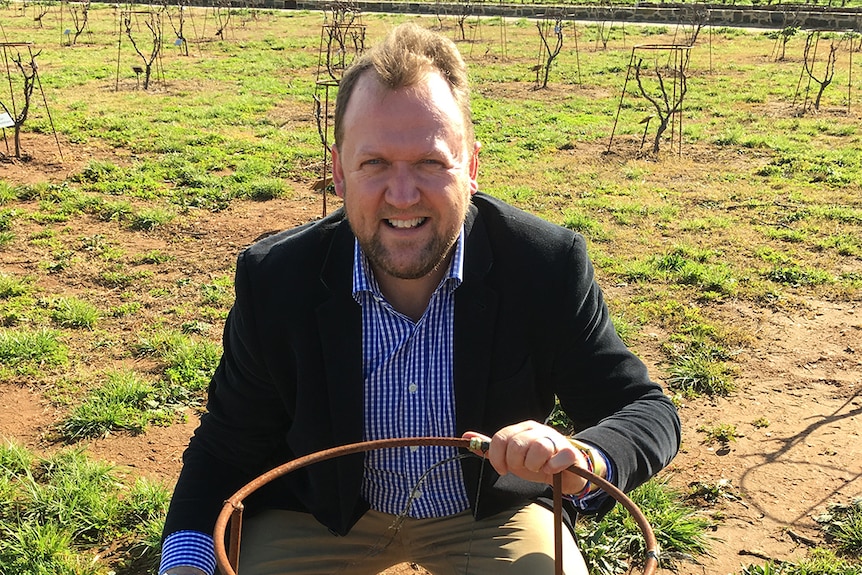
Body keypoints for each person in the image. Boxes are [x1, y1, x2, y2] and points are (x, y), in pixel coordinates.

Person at [158, 21, 680, 575]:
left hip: (486, 514)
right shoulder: (276, 280)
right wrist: (184, 565)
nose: (402, 195)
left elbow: (645, 409)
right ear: (339, 172)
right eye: (374, 163)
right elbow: (224, 446)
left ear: (471, 167)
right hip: (320, 516)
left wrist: (583, 457)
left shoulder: (544, 265)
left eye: (431, 162)